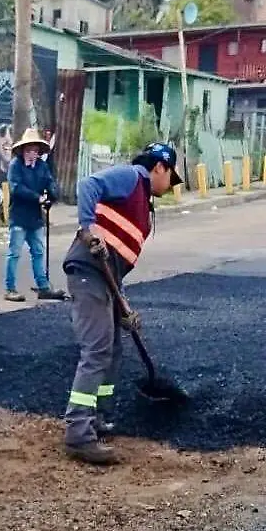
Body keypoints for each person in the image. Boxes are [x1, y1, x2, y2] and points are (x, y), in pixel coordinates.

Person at [60, 142, 182, 465]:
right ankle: (78, 432)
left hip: (106, 278)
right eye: (171, 176)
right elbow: (87, 185)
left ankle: (99, 417)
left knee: (113, 348)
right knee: (97, 349)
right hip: (88, 270)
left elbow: (116, 263)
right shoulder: (131, 178)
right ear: (160, 167)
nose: (170, 185)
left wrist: (122, 305)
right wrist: (88, 229)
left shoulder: (143, 202)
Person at [4, 128, 61, 302]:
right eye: (28, 150)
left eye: (35, 150)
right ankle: (10, 288)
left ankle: (43, 287)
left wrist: (52, 195)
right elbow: (16, 188)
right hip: (19, 216)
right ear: (22, 151)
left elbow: (50, 183)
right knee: (14, 253)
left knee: (38, 252)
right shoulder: (16, 166)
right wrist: (38, 198)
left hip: (35, 217)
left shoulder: (42, 167)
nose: (32, 153)